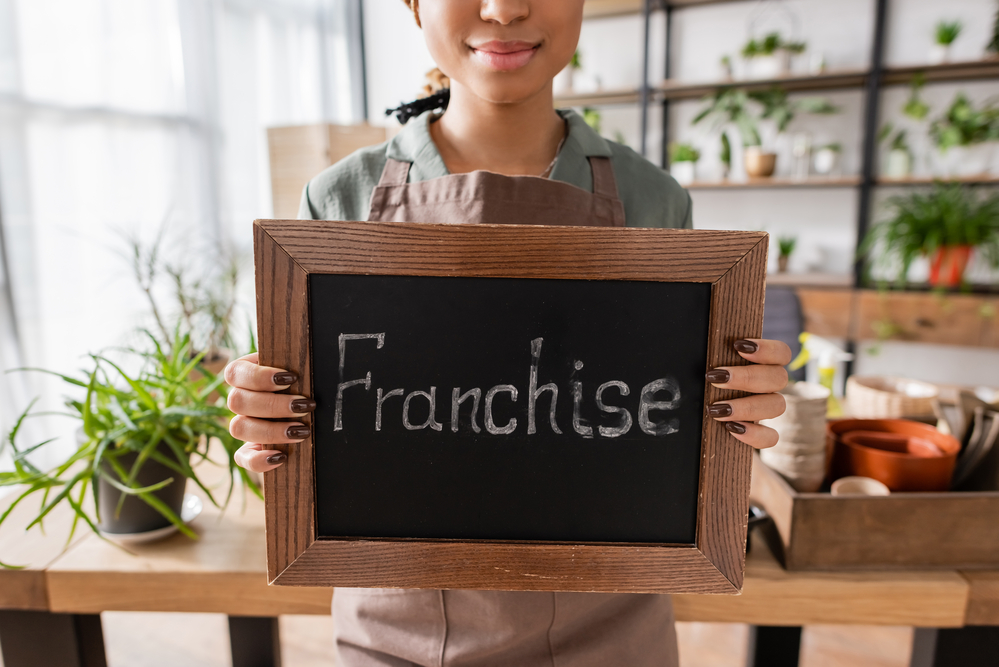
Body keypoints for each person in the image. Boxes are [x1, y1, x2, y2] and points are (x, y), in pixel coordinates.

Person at [226, 1, 790, 664]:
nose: (503, 7)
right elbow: (311, 448)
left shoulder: (656, 202)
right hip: (397, 637)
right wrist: (271, 423)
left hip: (615, 635)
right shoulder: (338, 199)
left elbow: (675, 438)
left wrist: (731, 411)